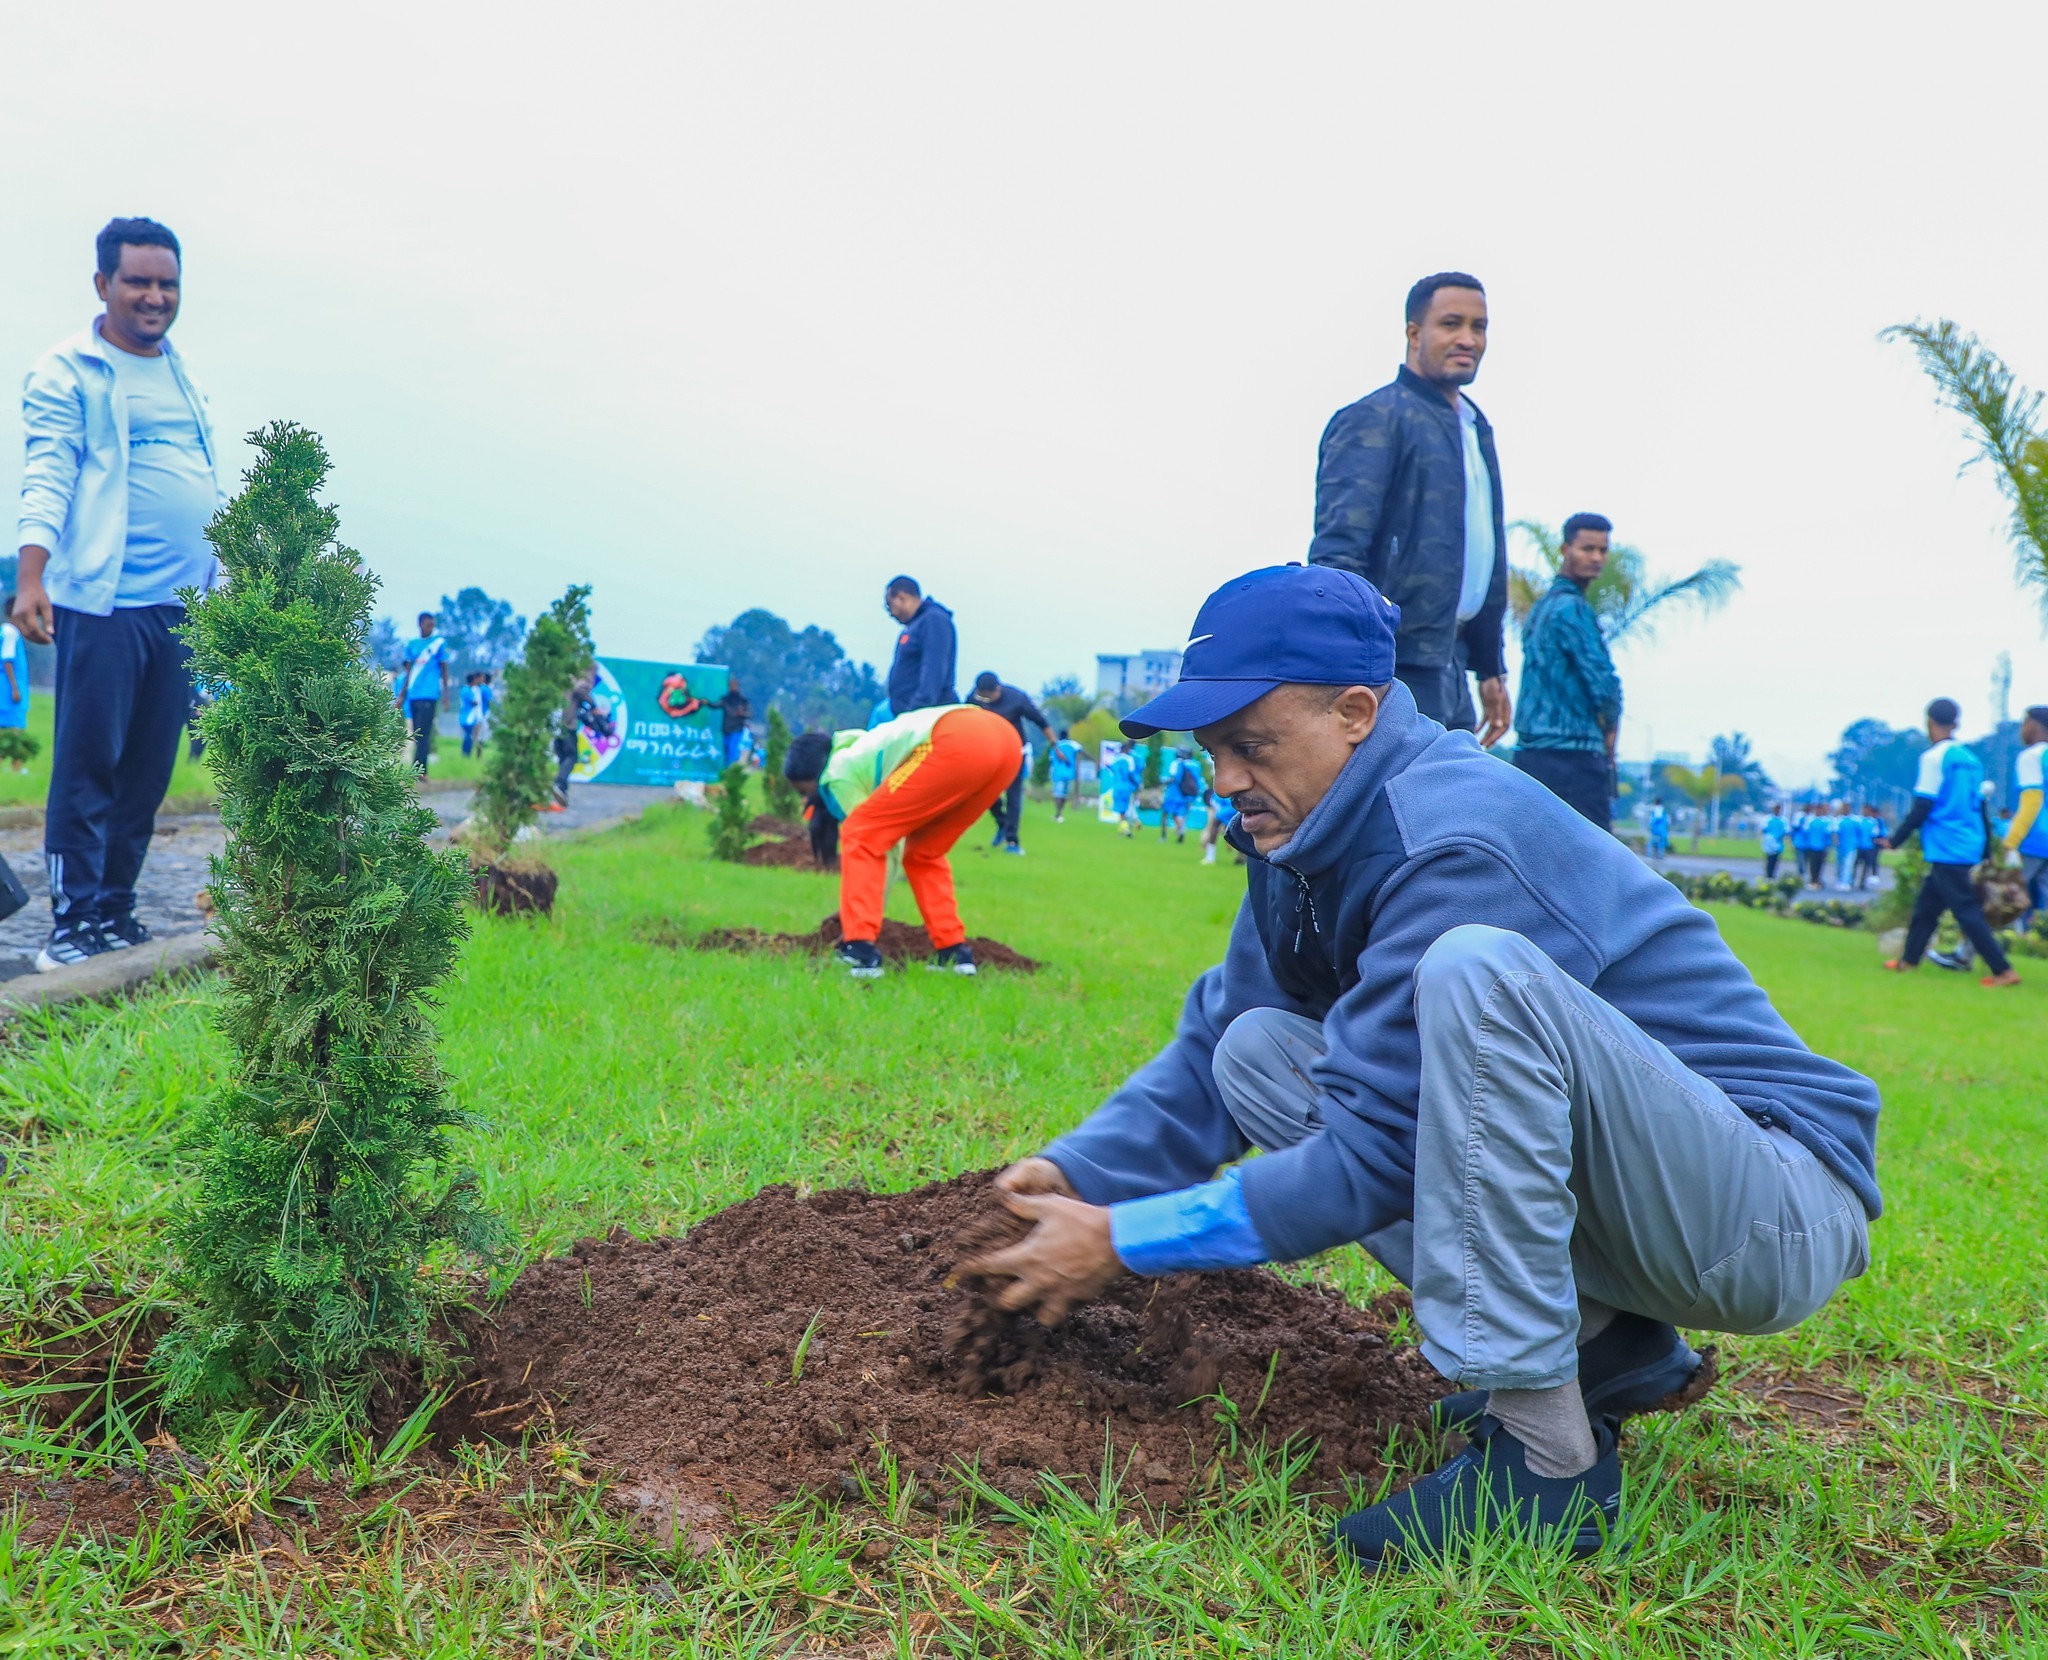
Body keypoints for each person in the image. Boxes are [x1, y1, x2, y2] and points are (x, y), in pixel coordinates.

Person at [963, 564, 1879, 1569]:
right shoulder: (1300, 838)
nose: (1223, 779)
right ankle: (1607, 1346)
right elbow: (1211, 1042)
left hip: (1763, 1210)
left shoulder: (1453, 835)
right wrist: (1082, 1174)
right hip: (1654, 1200)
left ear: (1354, 713)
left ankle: (1547, 1470)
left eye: (1250, 744)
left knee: (1474, 974)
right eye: (1211, 750)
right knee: (1256, 1049)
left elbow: (1375, 1157)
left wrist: (1126, 1238)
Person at [14, 216, 226, 970]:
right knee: (88, 768)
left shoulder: (180, 370)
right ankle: (71, 924)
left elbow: (200, 481)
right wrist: (31, 576)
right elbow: (49, 474)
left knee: (146, 773)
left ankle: (114, 910)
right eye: (138, 281)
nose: (155, 296)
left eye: (168, 283)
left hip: (180, 610)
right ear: (103, 283)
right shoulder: (69, 370)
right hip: (104, 605)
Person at [1309, 272, 1509, 744]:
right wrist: (1353, 665)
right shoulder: (1374, 418)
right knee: (1396, 793)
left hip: (1452, 663)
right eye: (1451, 324)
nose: (1468, 339)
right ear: (1414, 333)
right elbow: (1337, 558)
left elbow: (1486, 554)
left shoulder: (1475, 427)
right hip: (1391, 666)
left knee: (1457, 789)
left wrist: (1490, 666)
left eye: (1479, 327)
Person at [782, 703, 1021, 978]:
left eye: (804, 791)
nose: (806, 800)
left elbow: (875, 842)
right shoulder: (862, 747)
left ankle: (859, 949)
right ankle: (953, 952)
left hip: (955, 738)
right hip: (1006, 742)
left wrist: (858, 916)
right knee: (924, 852)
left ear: (815, 776)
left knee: (861, 833)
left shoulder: (837, 773)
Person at [1882, 697, 2018, 987]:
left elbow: (1923, 805)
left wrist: (1895, 839)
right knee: (1927, 907)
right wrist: (1985, 848)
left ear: (1929, 721)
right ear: (1956, 723)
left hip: (1947, 844)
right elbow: (1981, 806)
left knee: (1966, 910)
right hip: (1969, 840)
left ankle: (2003, 970)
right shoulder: (1970, 760)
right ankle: (1909, 961)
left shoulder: (1933, 758)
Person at [1513, 513, 1621, 828]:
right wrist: (1611, 728)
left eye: (1602, 550)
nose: (1596, 558)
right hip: (1573, 759)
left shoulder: (1542, 607)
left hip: (1530, 755)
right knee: (1595, 854)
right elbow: (1603, 682)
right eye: (1587, 548)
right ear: (1565, 549)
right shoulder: (1572, 609)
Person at [969, 672, 1056, 855]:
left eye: (989, 696)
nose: (986, 700)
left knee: (1013, 795)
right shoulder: (974, 699)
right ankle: (1002, 823)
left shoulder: (1016, 698)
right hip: (987, 752)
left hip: (1014, 752)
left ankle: (1012, 841)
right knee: (983, 791)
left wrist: (1055, 746)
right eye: (982, 697)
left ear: (997, 689)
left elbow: (1041, 721)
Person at [883, 576, 957, 714]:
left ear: (901, 597)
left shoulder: (933, 620)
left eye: (889, 606)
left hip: (926, 714)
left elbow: (933, 669)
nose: (891, 614)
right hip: (909, 713)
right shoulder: (914, 625)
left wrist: (918, 708)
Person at [2003, 705, 2048, 927]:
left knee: (2007, 897)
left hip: (2033, 839)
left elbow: (2032, 802)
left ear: (2031, 726)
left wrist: (2011, 841)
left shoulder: (2031, 757)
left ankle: (2005, 940)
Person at [397, 612, 448, 771]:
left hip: (429, 694)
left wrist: (446, 695)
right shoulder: (412, 644)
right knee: (416, 732)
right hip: (414, 694)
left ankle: (420, 770)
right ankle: (417, 768)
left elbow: (444, 669)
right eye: (428, 624)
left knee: (424, 732)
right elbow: (408, 671)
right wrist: (402, 695)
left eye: (432, 625)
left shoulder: (439, 643)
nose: (430, 628)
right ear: (420, 624)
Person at [0, 594, 28, 770]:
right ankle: (17, 768)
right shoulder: (11, 632)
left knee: (4, 728)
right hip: (8, 688)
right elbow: (7, 660)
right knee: (16, 727)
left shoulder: (5, 631)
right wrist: (15, 688)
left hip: (6, 686)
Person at [1159, 746, 1206, 843]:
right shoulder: (1196, 765)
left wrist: (1164, 782)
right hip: (1189, 794)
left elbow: (1175, 778)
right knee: (1181, 814)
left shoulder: (1179, 763)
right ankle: (1181, 830)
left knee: (1165, 814)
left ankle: (1164, 836)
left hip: (1174, 793)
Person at [1099, 743, 1140, 837]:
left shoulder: (1115, 759)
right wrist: (1136, 783)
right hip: (1127, 787)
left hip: (1117, 787)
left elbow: (1111, 770)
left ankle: (1124, 828)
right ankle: (1127, 828)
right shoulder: (1129, 759)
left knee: (1121, 810)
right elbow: (1130, 774)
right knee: (1127, 808)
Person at [1047, 729, 1083, 822]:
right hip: (1069, 773)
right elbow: (1081, 751)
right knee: (1064, 794)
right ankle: (1059, 813)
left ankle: (1058, 814)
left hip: (1058, 773)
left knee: (1058, 793)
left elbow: (1051, 760)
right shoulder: (1073, 744)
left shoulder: (1056, 746)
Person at [720, 678, 753, 767]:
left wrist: (742, 713)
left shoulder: (743, 701)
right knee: (726, 748)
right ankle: (727, 767)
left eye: (734, 686)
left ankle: (731, 768)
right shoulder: (725, 699)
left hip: (736, 729)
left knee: (732, 749)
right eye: (731, 686)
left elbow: (750, 714)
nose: (733, 688)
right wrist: (706, 702)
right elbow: (716, 705)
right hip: (726, 729)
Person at [1759, 804, 1788, 880]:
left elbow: (1786, 831)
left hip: (1778, 843)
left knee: (1775, 860)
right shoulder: (1768, 819)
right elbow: (1763, 829)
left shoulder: (1783, 820)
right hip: (1769, 842)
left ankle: (1772, 874)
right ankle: (1768, 875)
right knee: (1769, 859)